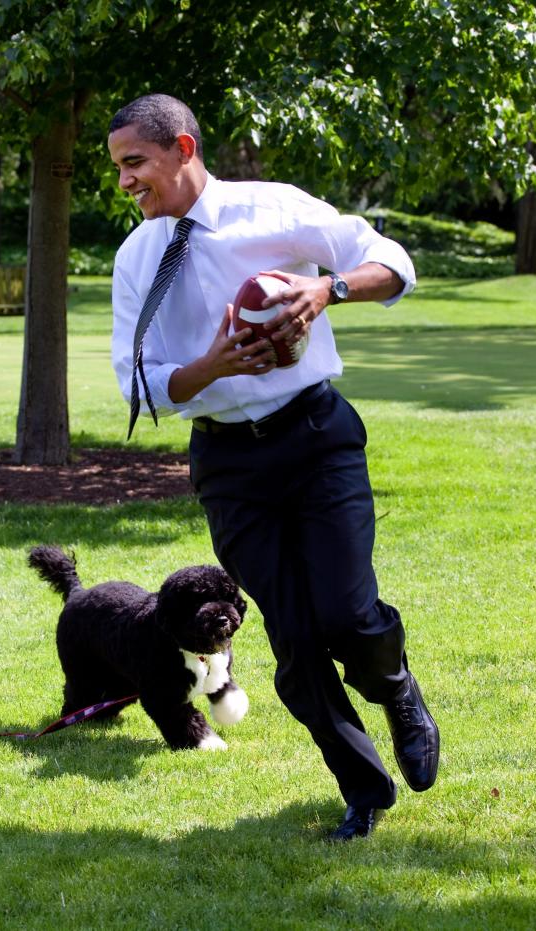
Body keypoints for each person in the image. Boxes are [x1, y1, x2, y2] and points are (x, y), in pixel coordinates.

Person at [107, 93, 439, 841]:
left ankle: (397, 689)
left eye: (136, 163)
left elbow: (393, 261)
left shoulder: (272, 209)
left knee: (348, 617)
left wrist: (327, 288)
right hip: (228, 464)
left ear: (183, 150)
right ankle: (362, 790)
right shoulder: (136, 258)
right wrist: (210, 365)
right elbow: (137, 382)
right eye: (118, 168)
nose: (126, 181)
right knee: (292, 639)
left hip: (316, 437)